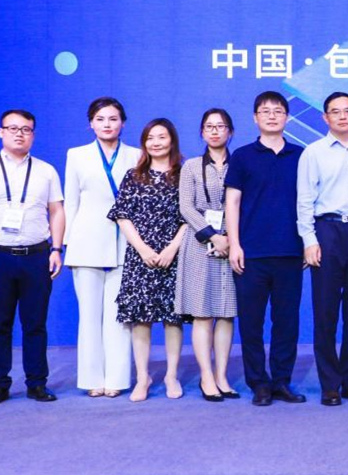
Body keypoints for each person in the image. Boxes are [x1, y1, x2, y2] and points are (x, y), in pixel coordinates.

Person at [0, 109, 64, 405]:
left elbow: (57, 210)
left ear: (33, 134)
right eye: (13, 128)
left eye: (26, 129)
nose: (20, 134)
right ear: (1, 132)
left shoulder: (46, 170)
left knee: (35, 324)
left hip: (37, 256)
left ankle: (37, 383)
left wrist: (56, 249)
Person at [225, 91, 306, 406]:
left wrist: (307, 243)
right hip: (251, 253)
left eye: (278, 111)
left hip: (290, 251)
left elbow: (309, 202)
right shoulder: (243, 156)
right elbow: (232, 202)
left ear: (287, 117)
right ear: (255, 118)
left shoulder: (301, 155)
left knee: (286, 322)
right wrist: (235, 244)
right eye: (265, 111)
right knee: (252, 323)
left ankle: (282, 381)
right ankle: (259, 383)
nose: (272, 116)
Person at [297, 92, 348, 406]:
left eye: (347, 111)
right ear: (325, 117)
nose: (342, 116)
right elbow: (304, 200)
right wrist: (309, 240)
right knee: (326, 311)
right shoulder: (313, 153)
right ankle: (330, 384)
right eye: (335, 111)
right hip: (326, 231)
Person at [64, 97, 141, 398]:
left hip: (125, 244)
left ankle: (117, 378)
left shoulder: (137, 155)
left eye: (113, 118)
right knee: (89, 316)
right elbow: (71, 203)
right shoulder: (76, 155)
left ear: (123, 123)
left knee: (119, 316)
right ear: (91, 124)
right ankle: (91, 378)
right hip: (86, 243)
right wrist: (66, 244)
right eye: (100, 119)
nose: (107, 124)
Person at [109, 118, 187, 402]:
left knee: (172, 319)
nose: (156, 142)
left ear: (172, 140)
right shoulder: (134, 175)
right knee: (140, 318)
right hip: (140, 256)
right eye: (150, 138)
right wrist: (142, 249)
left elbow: (191, 216)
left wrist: (172, 248)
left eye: (161, 137)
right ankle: (143, 377)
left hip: (173, 256)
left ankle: (171, 375)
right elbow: (122, 215)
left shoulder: (184, 174)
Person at [175, 109, 239, 401]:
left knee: (226, 313)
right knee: (203, 313)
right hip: (200, 244)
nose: (215, 131)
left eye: (220, 126)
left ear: (230, 132)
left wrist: (229, 239)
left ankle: (222, 375)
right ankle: (206, 377)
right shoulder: (190, 166)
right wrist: (213, 236)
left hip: (233, 242)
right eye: (209, 127)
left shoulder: (240, 163)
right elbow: (186, 207)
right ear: (202, 132)